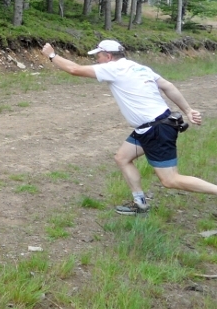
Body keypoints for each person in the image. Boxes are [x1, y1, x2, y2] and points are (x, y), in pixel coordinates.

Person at [42, 39, 217, 215]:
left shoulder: (113, 68)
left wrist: (52, 55)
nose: (97, 60)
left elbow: (74, 69)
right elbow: (167, 86)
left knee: (170, 180)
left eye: (99, 56)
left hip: (156, 129)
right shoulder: (139, 68)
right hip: (152, 126)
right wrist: (188, 110)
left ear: (108, 56)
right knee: (122, 158)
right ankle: (140, 203)